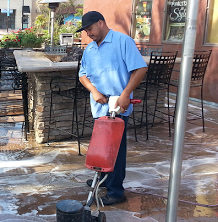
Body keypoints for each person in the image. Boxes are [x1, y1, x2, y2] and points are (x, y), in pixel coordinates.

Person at [77, 11, 148, 205]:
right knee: (101, 148)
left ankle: (116, 191)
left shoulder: (122, 41)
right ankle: (102, 179)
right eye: (85, 31)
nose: (88, 33)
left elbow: (140, 68)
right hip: (99, 106)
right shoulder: (90, 49)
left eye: (90, 29)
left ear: (101, 23)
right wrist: (93, 91)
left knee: (115, 150)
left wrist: (126, 94)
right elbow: (83, 74)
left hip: (117, 104)